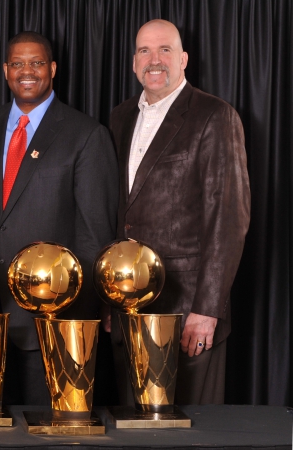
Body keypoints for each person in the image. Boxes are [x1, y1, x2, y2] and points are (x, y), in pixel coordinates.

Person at [0, 31, 119, 406]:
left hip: (52, 323)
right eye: (17, 63)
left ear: (53, 69)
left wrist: (77, 320)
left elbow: (96, 236)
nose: (27, 71)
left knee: (47, 434)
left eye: (37, 63)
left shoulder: (86, 134)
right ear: (5, 71)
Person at [108, 19, 250, 404]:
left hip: (187, 311)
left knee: (189, 432)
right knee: (131, 429)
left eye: (165, 50)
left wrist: (207, 309)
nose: (154, 60)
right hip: (128, 308)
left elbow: (228, 220)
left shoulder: (214, 116)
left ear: (183, 58)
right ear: (133, 63)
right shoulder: (119, 119)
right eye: (144, 51)